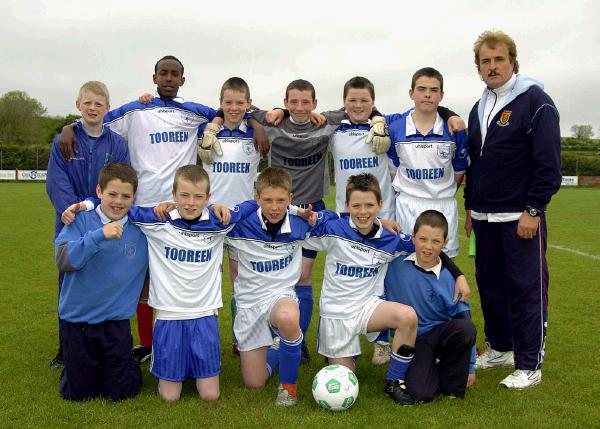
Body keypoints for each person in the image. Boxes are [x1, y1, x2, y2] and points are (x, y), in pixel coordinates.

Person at [60, 56, 266, 364]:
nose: (168, 78)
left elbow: (228, 113)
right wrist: (69, 127)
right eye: (163, 73)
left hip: (187, 207)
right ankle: (146, 343)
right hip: (144, 210)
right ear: (154, 76)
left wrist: (256, 123)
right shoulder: (136, 109)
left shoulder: (194, 113)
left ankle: (220, 337)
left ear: (183, 80)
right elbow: (97, 118)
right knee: (143, 276)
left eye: (175, 74)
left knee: (195, 275)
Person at [64, 165, 258, 401]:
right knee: (170, 397)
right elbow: (117, 206)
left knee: (210, 395)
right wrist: (87, 204)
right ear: (174, 196)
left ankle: (190, 369)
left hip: (205, 314)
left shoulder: (219, 222)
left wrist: (220, 207)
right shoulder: (157, 220)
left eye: (198, 197)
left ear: (208, 198)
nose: (190, 203)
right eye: (184, 195)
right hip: (168, 316)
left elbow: (251, 205)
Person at [329, 76, 466, 365]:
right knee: (365, 276)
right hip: (349, 216)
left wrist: (450, 113)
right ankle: (374, 335)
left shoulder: (389, 122)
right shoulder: (333, 128)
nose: (358, 105)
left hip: (386, 214)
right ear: (344, 103)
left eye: (365, 100)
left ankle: (434, 337)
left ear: (374, 103)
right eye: (352, 100)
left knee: (411, 269)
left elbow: (426, 107)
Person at [303, 173, 469, 405]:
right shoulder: (333, 227)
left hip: (368, 308)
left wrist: (458, 274)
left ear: (380, 205)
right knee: (346, 378)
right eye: (356, 206)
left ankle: (393, 381)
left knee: (407, 316)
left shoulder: (389, 237)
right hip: (336, 313)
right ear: (346, 205)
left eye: (369, 205)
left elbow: (427, 243)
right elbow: (293, 222)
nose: (363, 211)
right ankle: (346, 356)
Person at [464, 30, 561, 389]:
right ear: (479, 68)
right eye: (485, 62)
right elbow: (476, 163)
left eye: (499, 59)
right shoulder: (479, 106)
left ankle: (529, 364)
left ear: (512, 62)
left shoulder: (536, 101)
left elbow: (548, 163)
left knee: (526, 288)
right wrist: (471, 208)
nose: (492, 67)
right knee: (490, 287)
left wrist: (533, 210)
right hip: (484, 217)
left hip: (520, 217)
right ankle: (500, 348)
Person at [224, 167, 337, 406]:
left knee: (287, 318)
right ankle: (278, 347)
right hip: (249, 303)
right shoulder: (240, 225)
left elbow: (337, 220)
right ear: (257, 199)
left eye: (280, 201)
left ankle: (288, 387)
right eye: (267, 200)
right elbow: (207, 221)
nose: (274, 207)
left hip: (281, 296)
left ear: (290, 199)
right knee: (254, 382)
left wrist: (381, 221)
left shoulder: (300, 223)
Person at [46, 81, 130, 368]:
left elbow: (119, 180)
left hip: (107, 220)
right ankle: (65, 347)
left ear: (107, 107)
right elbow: (57, 181)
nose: (93, 108)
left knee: (105, 277)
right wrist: (72, 210)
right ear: (78, 105)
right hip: (71, 219)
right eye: (88, 103)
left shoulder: (117, 143)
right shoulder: (63, 140)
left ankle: (104, 341)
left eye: (99, 103)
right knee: (70, 282)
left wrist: (99, 209)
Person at [55, 163, 147, 401]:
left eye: (126, 196)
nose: (118, 201)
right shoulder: (79, 220)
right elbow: (64, 260)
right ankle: (76, 370)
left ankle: (124, 368)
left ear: (134, 198)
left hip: (115, 323)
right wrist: (99, 235)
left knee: (119, 392)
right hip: (77, 321)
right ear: (99, 192)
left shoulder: (141, 229)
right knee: (79, 394)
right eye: (112, 194)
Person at [385, 210, 476, 402]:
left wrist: (470, 368)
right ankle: (431, 367)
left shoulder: (450, 278)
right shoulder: (395, 265)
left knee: (465, 328)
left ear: (445, 242)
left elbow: (465, 321)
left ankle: (450, 378)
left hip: (438, 336)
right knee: (421, 393)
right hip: (410, 340)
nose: (428, 247)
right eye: (423, 239)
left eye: (435, 241)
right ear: (413, 238)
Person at [203, 77, 263, 355]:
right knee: (206, 281)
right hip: (210, 217)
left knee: (242, 283)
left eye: (240, 103)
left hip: (242, 220)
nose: (234, 107)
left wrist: (256, 122)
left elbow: (278, 114)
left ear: (248, 103)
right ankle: (204, 335)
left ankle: (241, 339)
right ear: (220, 103)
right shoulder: (207, 131)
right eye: (228, 102)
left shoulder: (255, 132)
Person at [387, 67, 468, 258]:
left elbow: (459, 172)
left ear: (441, 95)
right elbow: (394, 170)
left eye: (433, 90)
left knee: (444, 269)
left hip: (443, 205)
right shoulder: (395, 129)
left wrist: (438, 193)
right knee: (406, 267)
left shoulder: (455, 130)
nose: (427, 95)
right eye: (422, 89)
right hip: (408, 205)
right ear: (411, 93)